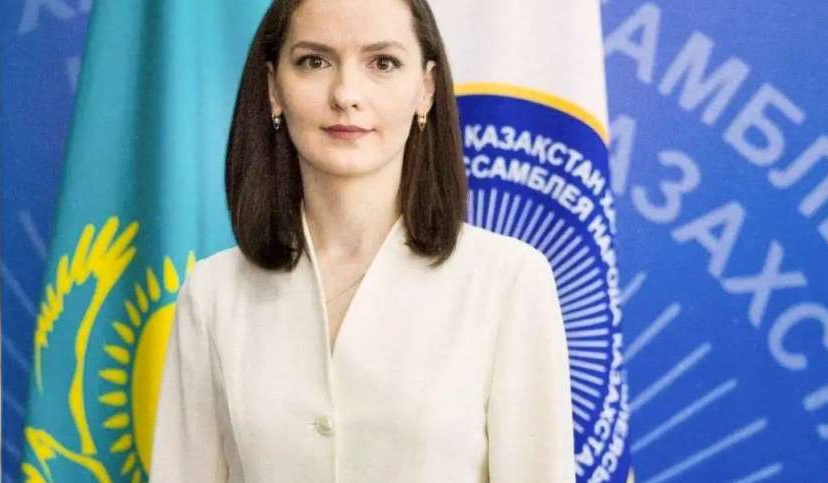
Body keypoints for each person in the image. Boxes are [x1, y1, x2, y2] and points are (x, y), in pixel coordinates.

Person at [151, 0, 575, 481]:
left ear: (426, 89)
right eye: (314, 61)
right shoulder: (213, 292)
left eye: (383, 63)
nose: (346, 94)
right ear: (273, 88)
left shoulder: (509, 281)